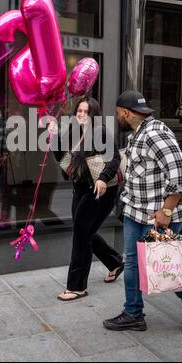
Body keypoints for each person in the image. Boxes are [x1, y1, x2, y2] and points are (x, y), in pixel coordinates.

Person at [103, 90, 182, 332]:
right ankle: (133, 314)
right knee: (132, 264)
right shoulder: (136, 135)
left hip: (158, 215)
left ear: (126, 112)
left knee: (161, 268)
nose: (117, 117)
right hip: (135, 212)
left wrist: (166, 212)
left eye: (118, 114)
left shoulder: (155, 133)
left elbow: (180, 173)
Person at [49, 96, 124, 301]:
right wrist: (54, 138)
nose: (81, 114)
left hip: (100, 191)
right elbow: (63, 160)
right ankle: (115, 262)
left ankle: (77, 286)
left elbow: (115, 158)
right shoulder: (74, 134)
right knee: (85, 231)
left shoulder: (100, 133)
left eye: (86, 111)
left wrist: (102, 178)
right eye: (79, 111)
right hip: (81, 190)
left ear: (94, 114)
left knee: (82, 234)